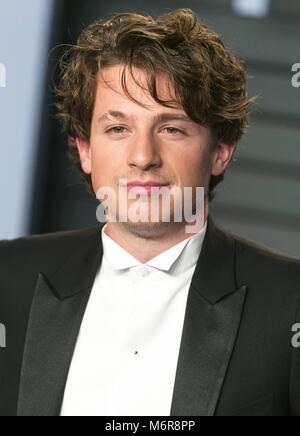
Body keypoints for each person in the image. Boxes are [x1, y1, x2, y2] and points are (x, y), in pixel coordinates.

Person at [0, 8, 299, 417]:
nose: (143, 157)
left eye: (171, 128)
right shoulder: (6, 278)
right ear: (86, 150)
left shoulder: (290, 302)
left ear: (221, 151)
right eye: (118, 129)